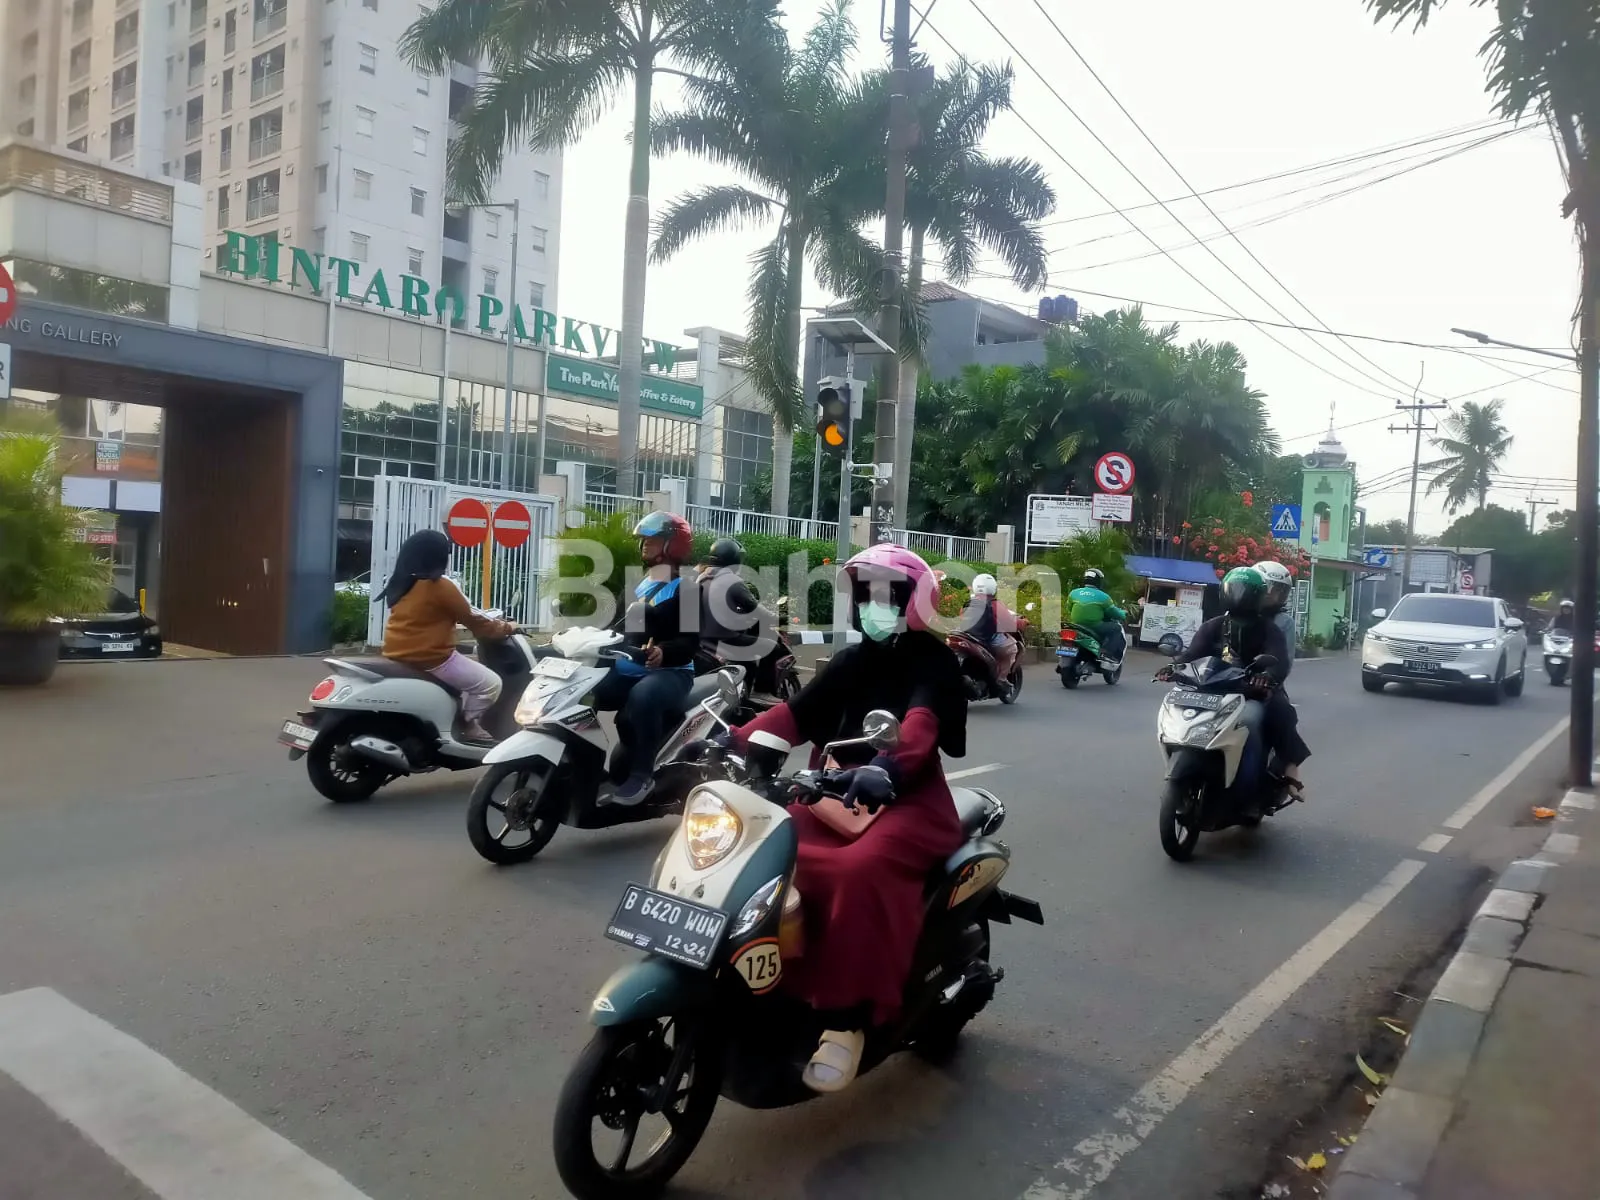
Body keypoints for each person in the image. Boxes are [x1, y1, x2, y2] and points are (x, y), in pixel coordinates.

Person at [723, 543, 967, 1094]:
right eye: (867, 592)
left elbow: (921, 725)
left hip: (904, 799)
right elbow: (794, 714)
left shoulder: (934, 662)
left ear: (914, 602)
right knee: (759, 849)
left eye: (887, 593)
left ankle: (847, 1021)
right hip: (830, 791)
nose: (874, 603)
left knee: (858, 872)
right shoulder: (852, 660)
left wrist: (887, 767)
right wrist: (730, 740)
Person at [1169, 566, 1309, 801]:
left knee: (1277, 712)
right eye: (1235, 590)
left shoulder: (1274, 626)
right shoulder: (1216, 624)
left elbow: (1280, 661)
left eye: (1279, 591)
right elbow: (1192, 654)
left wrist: (1268, 676)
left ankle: (1282, 769)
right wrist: (1173, 667)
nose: (1240, 596)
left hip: (1255, 688)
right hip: (1217, 686)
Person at [594, 511, 700, 805]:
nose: (644, 545)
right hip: (630, 666)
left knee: (643, 696)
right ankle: (586, 766)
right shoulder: (636, 585)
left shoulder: (687, 588)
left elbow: (690, 643)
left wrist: (664, 652)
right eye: (643, 540)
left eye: (652, 540)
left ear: (671, 545)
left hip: (672, 672)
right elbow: (613, 627)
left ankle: (642, 776)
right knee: (585, 691)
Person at [378, 529, 516, 743]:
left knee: (470, 672)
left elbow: (426, 616)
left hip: (398, 654)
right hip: (433, 659)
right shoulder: (440, 585)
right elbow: (474, 619)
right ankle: (467, 725)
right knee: (491, 683)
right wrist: (508, 627)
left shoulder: (400, 583)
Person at [967, 572, 1020, 698]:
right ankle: (1001, 679)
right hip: (985, 638)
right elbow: (1009, 623)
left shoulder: (969, 602)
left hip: (968, 637)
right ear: (992, 587)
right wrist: (1022, 623)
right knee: (1012, 648)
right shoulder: (995, 604)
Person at [1066, 568, 1127, 665]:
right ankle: (1107, 654)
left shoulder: (1074, 593)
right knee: (1116, 628)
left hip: (1076, 624)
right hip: (1094, 626)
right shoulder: (1104, 597)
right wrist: (1123, 613)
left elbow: (1068, 609)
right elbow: (1115, 613)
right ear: (1099, 581)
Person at [1254, 560, 1297, 677]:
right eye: (1266, 587)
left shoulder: (1284, 621)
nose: (1270, 593)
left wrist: (1269, 676)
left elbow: (1285, 662)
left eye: (1277, 589)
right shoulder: (1235, 613)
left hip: (1262, 681)